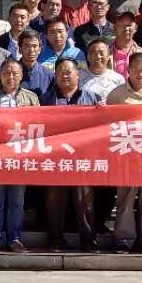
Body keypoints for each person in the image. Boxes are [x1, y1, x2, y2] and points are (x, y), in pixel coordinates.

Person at [41, 58, 104, 252]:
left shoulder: (92, 98)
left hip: (83, 157)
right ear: (55, 76)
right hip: (55, 157)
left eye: (69, 72)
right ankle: (55, 239)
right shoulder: (46, 99)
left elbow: (102, 127)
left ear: (78, 74)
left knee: (85, 201)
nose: (65, 75)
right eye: (60, 72)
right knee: (54, 201)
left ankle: (88, 240)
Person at [107, 54, 142, 252]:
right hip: (126, 155)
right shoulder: (116, 95)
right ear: (128, 70)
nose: (141, 74)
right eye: (137, 70)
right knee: (125, 199)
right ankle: (124, 240)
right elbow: (105, 125)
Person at [0, 58, 36, 254]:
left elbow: (40, 126)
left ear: (21, 76)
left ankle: (15, 238)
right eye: (6, 73)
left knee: (17, 201)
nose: (10, 77)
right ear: (0, 75)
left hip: (19, 158)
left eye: (14, 73)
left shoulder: (31, 99)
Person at [16, 31, 54, 101]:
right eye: (27, 46)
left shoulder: (49, 75)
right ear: (20, 49)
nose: (31, 50)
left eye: (34, 46)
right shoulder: (11, 73)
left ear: (39, 49)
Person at [108, 8, 142, 78]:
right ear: (114, 27)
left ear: (136, 28)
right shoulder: (106, 52)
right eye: (122, 25)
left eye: (129, 25)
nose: (126, 28)